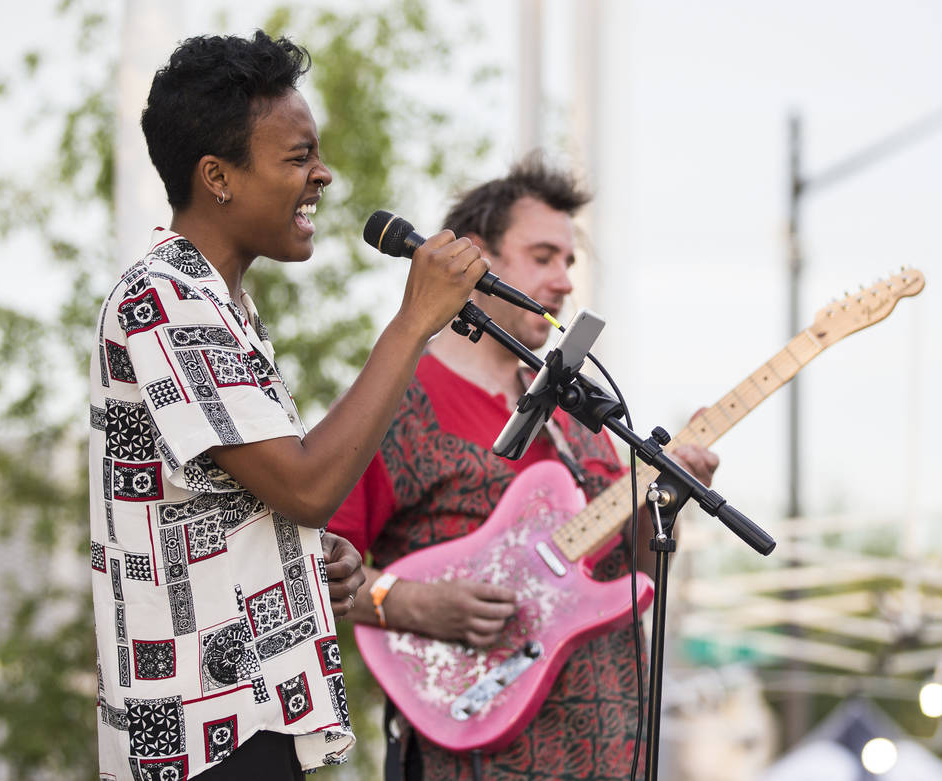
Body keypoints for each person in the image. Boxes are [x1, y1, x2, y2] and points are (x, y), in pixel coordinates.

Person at [88, 31, 490, 780]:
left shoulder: (220, 304)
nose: (322, 175)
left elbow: (266, 496)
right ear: (219, 177)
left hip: (246, 711)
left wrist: (303, 557)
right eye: (298, 156)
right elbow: (307, 486)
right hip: (201, 730)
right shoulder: (165, 298)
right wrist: (412, 323)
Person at [329, 153, 720, 781]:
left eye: (568, 262)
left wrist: (659, 509)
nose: (564, 281)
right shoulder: (398, 399)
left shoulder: (580, 417)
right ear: (476, 259)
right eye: (543, 258)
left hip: (615, 752)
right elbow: (316, 568)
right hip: (475, 754)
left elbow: (633, 582)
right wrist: (410, 603)